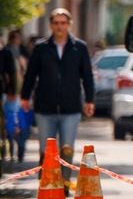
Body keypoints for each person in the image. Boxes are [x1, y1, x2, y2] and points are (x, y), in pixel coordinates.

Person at [21, 9, 94, 174]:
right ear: (51, 25)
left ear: (69, 25)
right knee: (46, 150)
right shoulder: (41, 48)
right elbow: (31, 74)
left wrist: (90, 100)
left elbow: (87, 76)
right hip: (45, 107)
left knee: (66, 149)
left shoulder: (79, 47)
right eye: (56, 23)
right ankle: (46, 187)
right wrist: (25, 97)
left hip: (71, 107)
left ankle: (65, 185)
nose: (59, 26)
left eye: (63, 23)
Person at [2, 29, 26, 163]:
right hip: (11, 94)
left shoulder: (15, 52)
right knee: (12, 123)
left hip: (14, 94)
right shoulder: (8, 52)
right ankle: (12, 150)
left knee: (15, 123)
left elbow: (17, 73)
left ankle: (16, 150)